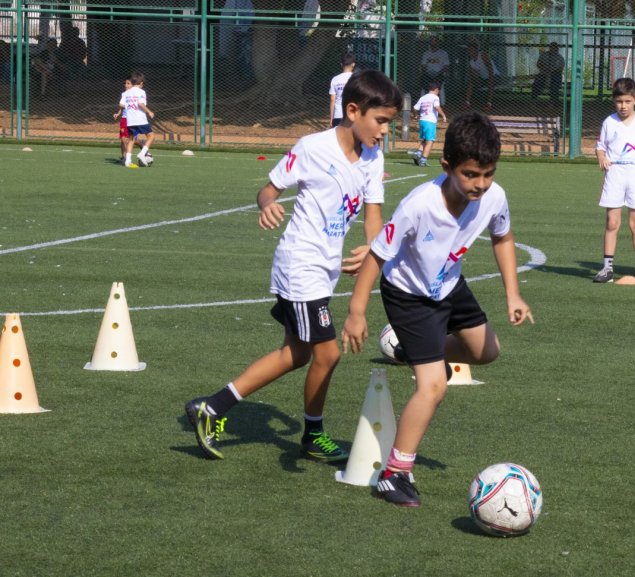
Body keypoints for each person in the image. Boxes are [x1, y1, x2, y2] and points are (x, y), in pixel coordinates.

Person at [185, 70, 402, 461]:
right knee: (327, 354)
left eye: (390, 122)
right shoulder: (312, 147)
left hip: (324, 268)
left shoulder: (373, 157)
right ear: (353, 111)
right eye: (381, 121)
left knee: (297, 354)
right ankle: (311, 434)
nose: (385, 130)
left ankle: (213, 407)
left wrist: (371, 246)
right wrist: (267, 205)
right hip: (300, 263)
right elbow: (268, 190)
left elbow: (374, 216)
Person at [341, 111, 534, 507]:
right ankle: (395, 473)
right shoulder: (420, 204)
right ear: (447, 167)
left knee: (487, 352)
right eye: (470, 175)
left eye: (488, 174)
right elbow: (378, 256)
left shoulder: (494, 197)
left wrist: (512, 293)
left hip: (449, 284)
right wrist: (357, 311)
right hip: (409, 296)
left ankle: (415, 351)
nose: (480, 184)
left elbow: (503, 237)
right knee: (433, 385)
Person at [593, 77, 635, 285]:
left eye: (627, 101)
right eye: (619, 102)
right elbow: (600, 146)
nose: (623, 106)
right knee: (612, 222)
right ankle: (607, 267)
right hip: (615, 174)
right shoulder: (609, 121)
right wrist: (602, 157)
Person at [119, 71, 155, 168]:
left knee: (131, 139)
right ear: (141, 83)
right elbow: (140, 104)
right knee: (151, 136)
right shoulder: (141, 92)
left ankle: (128, 161)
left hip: (130, 120)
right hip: (140, 118)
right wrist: (149, 112)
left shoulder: (126, 92)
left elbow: (121, 104)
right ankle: (142, 153)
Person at [412, 80, 447, 167]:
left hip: (422, 121)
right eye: (439, 90)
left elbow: (415, 108)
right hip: (430, 121)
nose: (439, 92)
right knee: (430, 141)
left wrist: (416, 116)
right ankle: (423, 160)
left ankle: (418, 153)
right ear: (436, 89)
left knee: (424, 139)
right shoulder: (435, 98)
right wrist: (443, 115)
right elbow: (436, 106)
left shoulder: (423, 97)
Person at [465, 41, 497, 113]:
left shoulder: (482, 55)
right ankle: (467, 102)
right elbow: (473, 74)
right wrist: (477, 81)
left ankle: (489, 104)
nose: (470, 51)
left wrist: (491, 78)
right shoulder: (471, 62)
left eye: (472, 49)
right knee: (471, 82)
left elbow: (490, 67)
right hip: (483, 79)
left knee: (490, 83)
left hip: (494, 76)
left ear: (476, 49)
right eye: (469, 50)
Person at [419, 36, 450, 103]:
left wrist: (438, 73)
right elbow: (423, 66)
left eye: (435, 41)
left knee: (438, 81)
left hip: (439, 74)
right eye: (432, 41)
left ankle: (441, 103)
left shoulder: (443, 53)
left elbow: (446, 66)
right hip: (428, 74)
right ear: (430, 42)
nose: (433, 42)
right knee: (423, 81)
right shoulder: (426, 53)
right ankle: (424, 102)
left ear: (438, 42)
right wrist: (426, 72)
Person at [330, 52, 356, 128]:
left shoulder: (335, 79)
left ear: (341, 64)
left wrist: (332, 117)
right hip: (353, 115)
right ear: (353, 64)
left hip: (338, 115)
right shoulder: (356, 78)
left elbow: (332, 99)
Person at [112, 77, 133, 164]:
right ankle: (123, 157)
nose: (126, 85)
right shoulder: (124, 94)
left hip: (133, 119)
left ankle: (128, 157)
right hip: (124, 119)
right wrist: (118, 113)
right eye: (125, 83)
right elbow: (121, 106)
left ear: (133, 85)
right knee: (123, 139)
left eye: (128, 83)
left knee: (131, 139)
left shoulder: (135, 94)